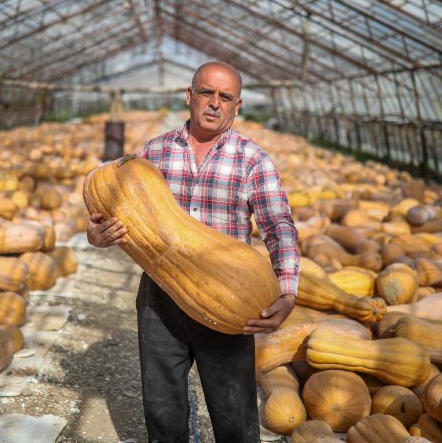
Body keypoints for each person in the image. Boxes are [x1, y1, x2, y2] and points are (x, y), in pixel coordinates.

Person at [87, 61, 300, 442]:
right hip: (161, 297)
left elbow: (277, 224)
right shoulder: (151, 154)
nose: (214, 103)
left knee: (234, 417)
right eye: (206, 93)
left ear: (237, 107)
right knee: (163, 411)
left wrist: (287, 290)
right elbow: (110, 204)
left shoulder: (253, 159)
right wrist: (97, 234)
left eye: (226, 97)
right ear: (189, 96)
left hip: (230, 295)